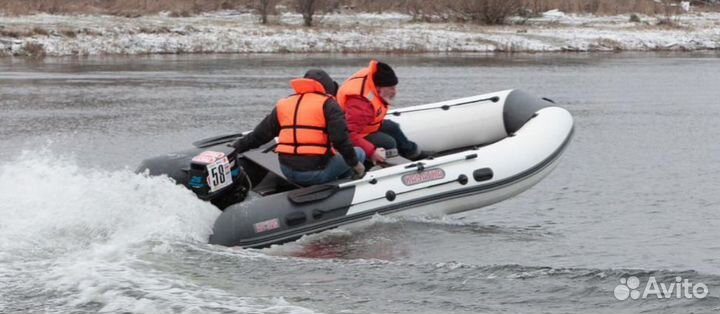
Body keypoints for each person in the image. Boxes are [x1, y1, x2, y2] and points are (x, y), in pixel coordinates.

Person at [231, 69, 365, 186]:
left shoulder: (285, 104)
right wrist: (356, 165)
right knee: (359, 153)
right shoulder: (329, 105)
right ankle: (340, 186)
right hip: (313, 173)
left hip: (287, 170)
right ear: (329, 89)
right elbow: (341, 141)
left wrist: (236, 147)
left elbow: (259, 135)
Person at [337, 60, 425, 165]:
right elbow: (348, 134)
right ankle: (376, 165)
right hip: (356, 132)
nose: (394, 92)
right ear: (378, 88)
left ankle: (413, 153)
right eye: (391, 88)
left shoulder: (372, 80)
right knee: (388, 142)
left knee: (392, 127)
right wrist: (371, 151)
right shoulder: (362, 105)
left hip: (366, 125)